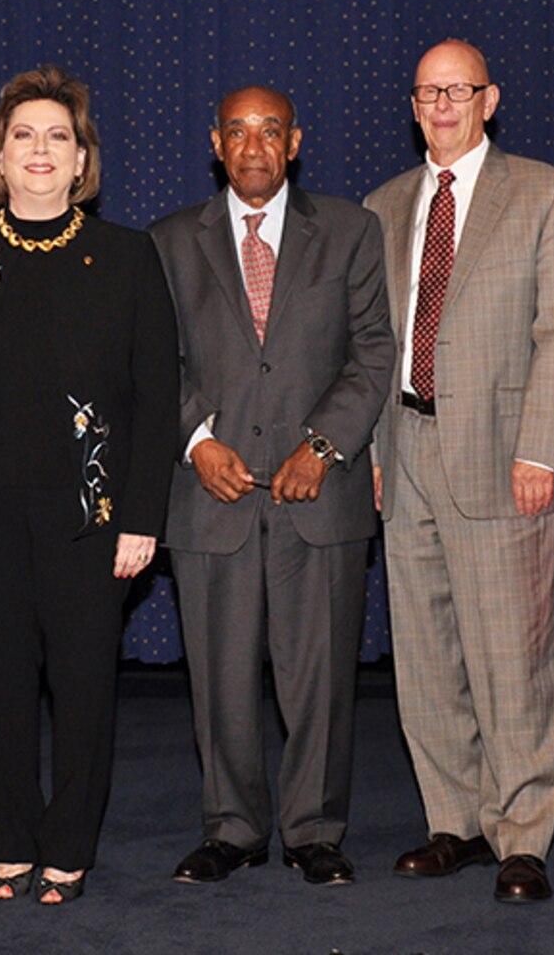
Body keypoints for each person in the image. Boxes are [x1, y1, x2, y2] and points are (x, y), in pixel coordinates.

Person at [0, 66, 178, 906]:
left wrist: (141, 518)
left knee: (86, 690)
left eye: (58, 135)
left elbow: (157, 396)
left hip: (90, 519)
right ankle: (9, 843)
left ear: (81, 159)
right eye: (23, 134)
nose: (40, 149)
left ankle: (68, 848)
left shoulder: (128, 255)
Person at [151, 86, 394, 888]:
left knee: (319, 675)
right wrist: (196, 441)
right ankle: (232, 828)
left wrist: (321, 447)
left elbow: (372, 352)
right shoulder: (166, 242)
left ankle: (314, 831)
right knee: (218, 677)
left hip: (317, 496)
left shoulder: (353, 230)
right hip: (209, 496)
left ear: (294, 143)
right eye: (236, 132)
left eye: (270, 131)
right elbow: (153, 363)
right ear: (214, 144)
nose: (253, 146)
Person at [365, 40, 554, 903]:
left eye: (457, 90)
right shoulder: (383, 206)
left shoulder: (541, 192)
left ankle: (522, 833)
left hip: (502, 453)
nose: (442, 105)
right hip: (407, 447)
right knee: (424, 653)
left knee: (511, 653)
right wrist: (379, 456)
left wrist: (540, 447)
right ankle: (452, 822)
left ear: (489, 98)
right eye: (426, 93)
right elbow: (376, 344)